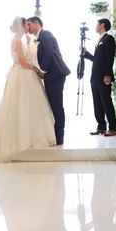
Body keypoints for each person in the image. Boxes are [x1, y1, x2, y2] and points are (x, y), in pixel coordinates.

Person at [0, 17, 56, 162]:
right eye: (27, 25)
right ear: (22, 26)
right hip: (23, 74)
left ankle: (28, 135)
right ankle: (22, 138)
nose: (28, 27)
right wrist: (36, 69)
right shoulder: (17, 41)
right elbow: (23, 62)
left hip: (22, 73)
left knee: (27, 105)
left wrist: (30, 45)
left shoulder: (20, 40)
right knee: (22, 105)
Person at [27, 16, 71, 145]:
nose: (28, 27)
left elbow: (49, 53)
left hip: (56, 74)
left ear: (36, 23)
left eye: (29, 24)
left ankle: (59, 137)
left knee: (57, 106)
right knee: (53, 105)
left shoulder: (45, 34)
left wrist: (43, 70)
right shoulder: (38, 38)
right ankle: (55, 134)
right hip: (51, 75)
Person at [82, 18, 116, 137]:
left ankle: (112, 128)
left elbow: (109, 58)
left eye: (97, 24)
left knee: (106, 101)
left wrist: (107, 74)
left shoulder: (108, 38)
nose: (95, 27)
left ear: (102, 25)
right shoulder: (99, 40)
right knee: (97, 102)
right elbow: (97, 59)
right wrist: (86, 54)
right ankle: (101, 126)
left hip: (103, 76)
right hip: (95, 76)